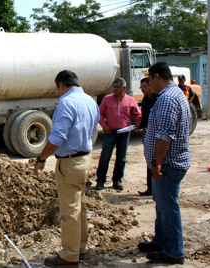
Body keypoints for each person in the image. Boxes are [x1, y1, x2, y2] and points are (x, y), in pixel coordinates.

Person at [33, 70, 99, 267]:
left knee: (70, 211)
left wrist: (41, 157)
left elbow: (58, 137)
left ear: (61, 85)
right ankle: (80, 248)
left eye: (57, 89)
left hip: (70, 163)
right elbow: (94, 126)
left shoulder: (66, 103)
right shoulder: (89, 101)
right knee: (81, 207)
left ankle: (70, 256)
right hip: (85, 159)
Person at [138, 62, 190, 264]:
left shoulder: (167, 99)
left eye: (149, 80)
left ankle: (174, 251)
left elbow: (165, 135)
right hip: (169, 162)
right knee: (162, 206)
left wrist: (157, 162)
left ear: (157, 77)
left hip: (168, 164)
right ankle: (161, 241)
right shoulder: (173, 95)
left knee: (168, 207)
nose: (149, 85)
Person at [95, 77, 142, 191]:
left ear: (124, 88)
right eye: (114, 87)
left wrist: (139, 124)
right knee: (105, 156)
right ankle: (100, 181)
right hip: (110, 132)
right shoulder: (107, 99)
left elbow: (137, 114)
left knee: (121, 158)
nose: (115, 89)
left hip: (124, 133)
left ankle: (117, 180)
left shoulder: (130, 100)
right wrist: (104, 125)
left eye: (117, 87)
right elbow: (100, 114)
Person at [138, 77, 159, 196]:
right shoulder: (146, 99)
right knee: (149, 161)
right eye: (141, 88)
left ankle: (155, 189)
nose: (142, 90)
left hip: (154, 133)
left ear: (150, 86)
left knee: (155, 161)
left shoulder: (158, 99)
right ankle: (150, 188)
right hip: (147, 132)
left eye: (144, 87)